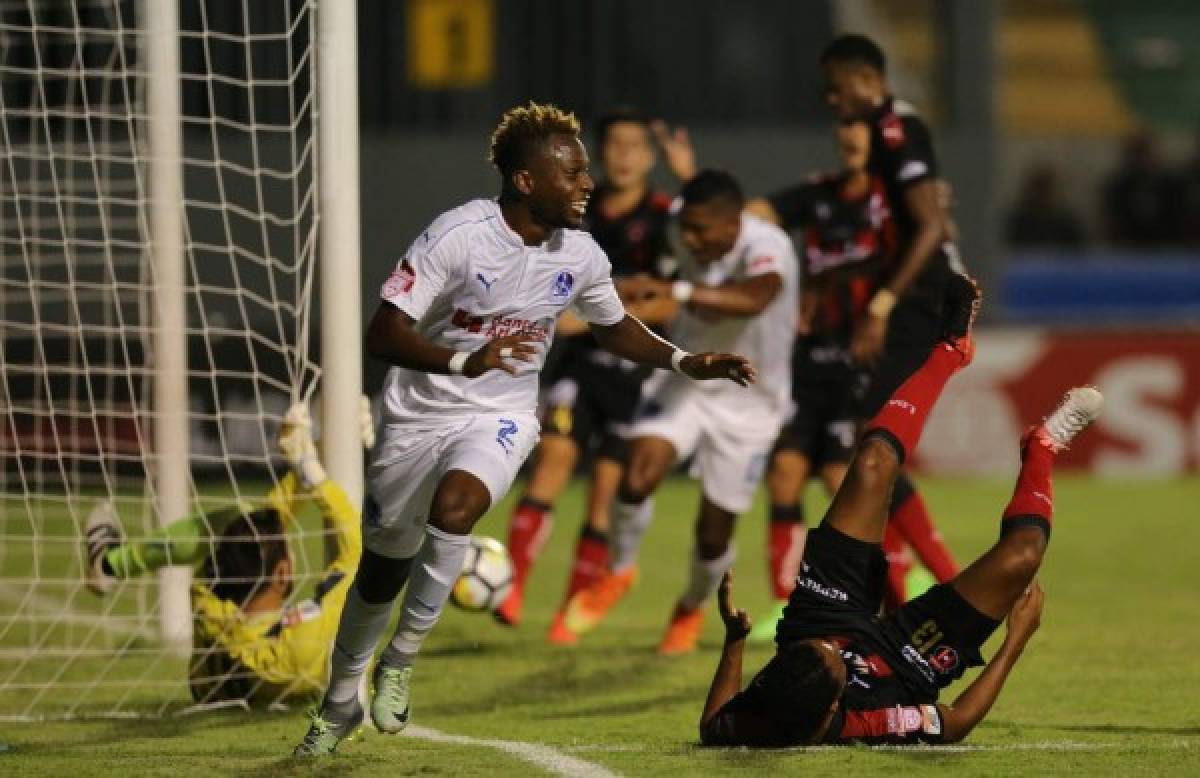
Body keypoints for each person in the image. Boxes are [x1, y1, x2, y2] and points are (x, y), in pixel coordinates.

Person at [292, 102, 755, 756]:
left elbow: (612, 323)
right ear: (526, 180)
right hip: (417, 414)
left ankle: (399, 661)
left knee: (457, 509)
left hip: (501, 414)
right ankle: (340, 697)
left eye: (587, 171)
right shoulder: (458, 234)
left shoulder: (582, 254)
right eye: (572, 172)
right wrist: (462, 359)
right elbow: (383, 333)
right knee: (382, 569)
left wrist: (683, 361)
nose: (586, 183)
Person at [699, 275, 1106, 746]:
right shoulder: (861, 720)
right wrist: (1015, 641)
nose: (836, 651)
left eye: (822, 653)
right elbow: (953, 724)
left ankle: (950, 349)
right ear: (834, 703)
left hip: (818, 615)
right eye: (834, 659)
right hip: (900, 663)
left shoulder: (759, 712)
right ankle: (1042, 447)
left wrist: (735, 641)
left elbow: (712, 725)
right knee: (1022, 556)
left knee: (872, 463)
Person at [563, 169, 799, 656]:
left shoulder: (767, 244)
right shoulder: (678, 228)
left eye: (700, 230)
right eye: (685, 228)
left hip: (751, 398)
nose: (689, 239)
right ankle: (620, 568)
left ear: (734, 222)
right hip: (691, 375)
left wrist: (680, 293)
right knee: (638, 473)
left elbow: (755, 298)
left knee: (713, 532)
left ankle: (690, 607)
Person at [496, 107, 678, 645]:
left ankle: (568, 613)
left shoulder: (667, 219)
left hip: (633, 374)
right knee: (552, 459)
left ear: (649, 156)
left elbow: (671, 302)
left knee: (604, 491)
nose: (624, 155)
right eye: (615, 145)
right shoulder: (574, 210)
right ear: (601, 154)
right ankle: (510, 587)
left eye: (634, 145)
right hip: (580, 367)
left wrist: (603, 311)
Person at [83, 402, 365, 707]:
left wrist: (316, 457)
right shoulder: (304, 643)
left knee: (243, 519)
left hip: (211, 688)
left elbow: (256, 527)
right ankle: (111, 565)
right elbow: (355, 548)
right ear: (282, 574)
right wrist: (318, 463)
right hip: (300, 678)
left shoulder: (207, 602)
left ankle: (113, 564)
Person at [1005, 163, 1085, 248]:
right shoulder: (1021, 222)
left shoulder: (1065, 222)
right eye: (1039, 189)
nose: (1042, 195)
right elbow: (1014, 250)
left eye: (1046, 189)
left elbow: (1076, 251)